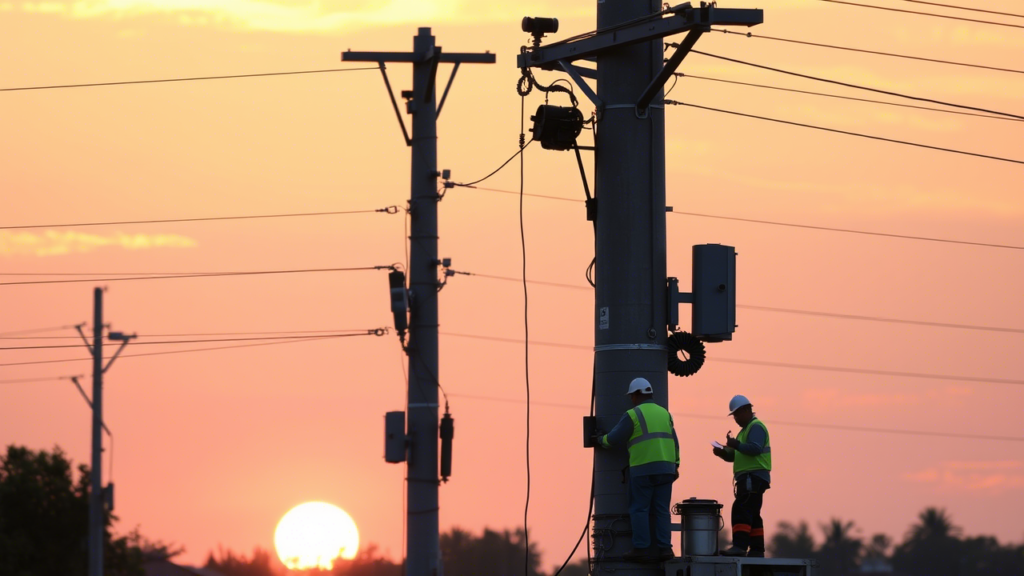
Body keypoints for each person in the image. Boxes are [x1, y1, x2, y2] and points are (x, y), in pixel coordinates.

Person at [597, 377, 680, 562]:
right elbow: (674, 441)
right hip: (666, 468)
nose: (631, 400)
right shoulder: (665, 413)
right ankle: (665, 549)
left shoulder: (633, 414)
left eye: (631, 396)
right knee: (661, 510)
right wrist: (676, 464)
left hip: (643, 469)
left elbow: (613, 439)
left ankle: (641, 548)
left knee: (639, 509)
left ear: (636, 395)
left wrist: (599, 439)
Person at [712, 394, 772, 557]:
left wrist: (736, 444)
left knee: (741, 508)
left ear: (747, 410)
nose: (736, 418)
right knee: (752, 512)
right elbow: (737, 455)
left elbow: (755, 449)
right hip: (752, 478)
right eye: (734, 415)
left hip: (753, 477)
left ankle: (739, 546)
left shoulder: (756, 427)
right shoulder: (745, 431)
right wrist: (723, 453)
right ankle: (757, 550)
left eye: (738, 414)